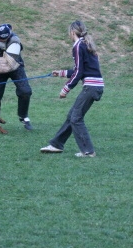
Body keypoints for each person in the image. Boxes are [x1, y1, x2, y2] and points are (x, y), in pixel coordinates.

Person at [40, 20, 104, 157]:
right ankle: (56, 145)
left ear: (72, 32)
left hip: (91, 87)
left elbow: (79, 71)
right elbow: (81, 70)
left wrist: (66, 88)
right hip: (96, 86)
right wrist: (61, 73)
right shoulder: (85, 44)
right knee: (72, 116)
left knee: (76, 118)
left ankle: (88, 151)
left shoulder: (78, 46)